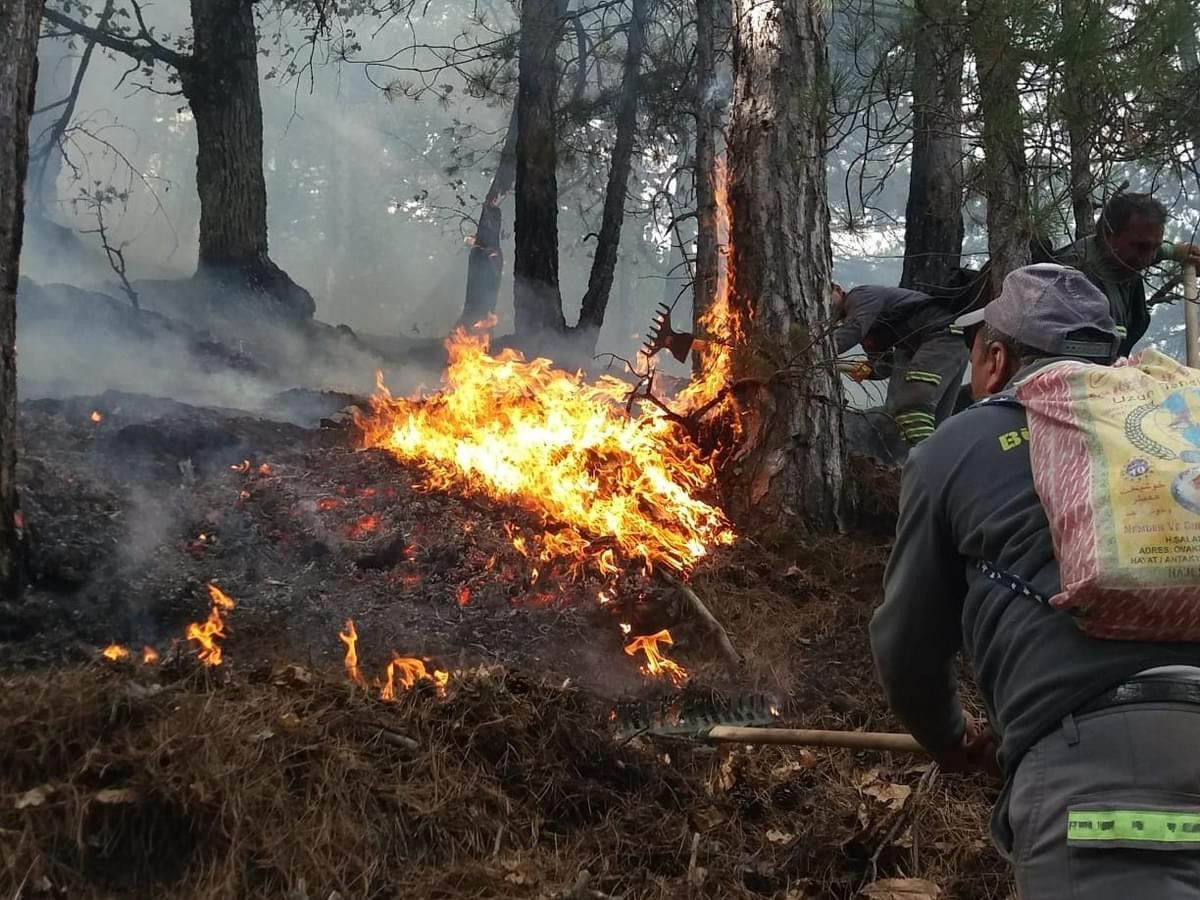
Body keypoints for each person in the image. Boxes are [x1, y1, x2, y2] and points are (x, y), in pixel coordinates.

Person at [870, 263, 1200, 898]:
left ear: (995, 357)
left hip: (1108, 775)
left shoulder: (961, 443)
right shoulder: (1173, 432)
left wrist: (948, 739)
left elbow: (907, 647)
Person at [1054, 193, 1200, 357]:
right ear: (1107, 234)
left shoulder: (1119, 256)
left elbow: (1150, 249)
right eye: (1141, 247)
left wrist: (1175, 251)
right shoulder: (1075, 280)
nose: (1148, 258)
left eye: (1155, 247)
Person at [831, 284, 967, 446]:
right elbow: (884, 366)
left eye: (825, 294)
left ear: (839, 290)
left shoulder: (860, 295)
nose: (824, 303)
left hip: (941, 335)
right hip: (951, 340)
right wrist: (857, 369)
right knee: (936, 422)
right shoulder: (868, 320)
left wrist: (815, 351)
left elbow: (854, 329)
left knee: (913, 408)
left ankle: (929, 465)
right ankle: (942, 464)